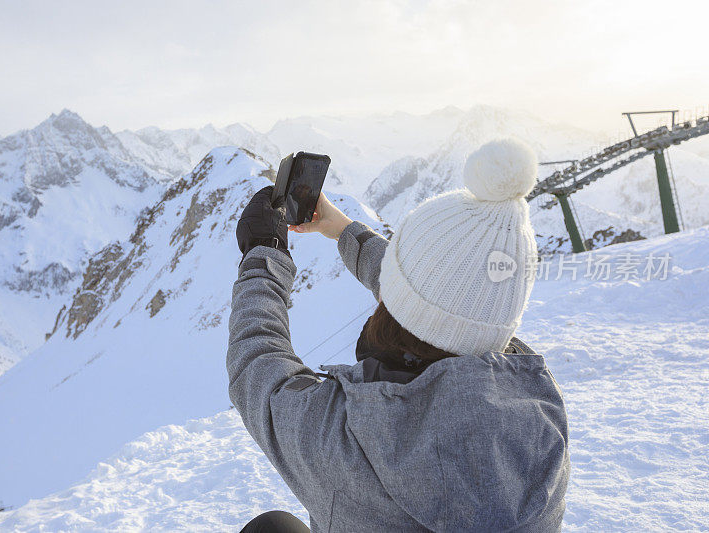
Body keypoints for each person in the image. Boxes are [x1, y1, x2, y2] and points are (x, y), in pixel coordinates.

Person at [228, 138, 570, 532]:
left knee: (272, 528)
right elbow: (446, 308)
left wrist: (263, 254)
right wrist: (342, 230)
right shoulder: (541, 414)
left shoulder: (347, 438)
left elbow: (256, 364)